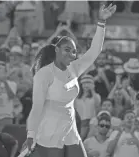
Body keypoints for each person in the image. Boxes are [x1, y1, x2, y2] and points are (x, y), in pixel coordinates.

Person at [22, 3, 117, 157]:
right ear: (56, 50)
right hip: (49, 130)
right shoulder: (44, 74)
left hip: (70, 128)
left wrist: (101, 22)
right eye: (67, 50)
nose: (72, 55)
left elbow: (94, 51)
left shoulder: (74, 68)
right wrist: (31, 134)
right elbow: (37, 107)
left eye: (74, 52)